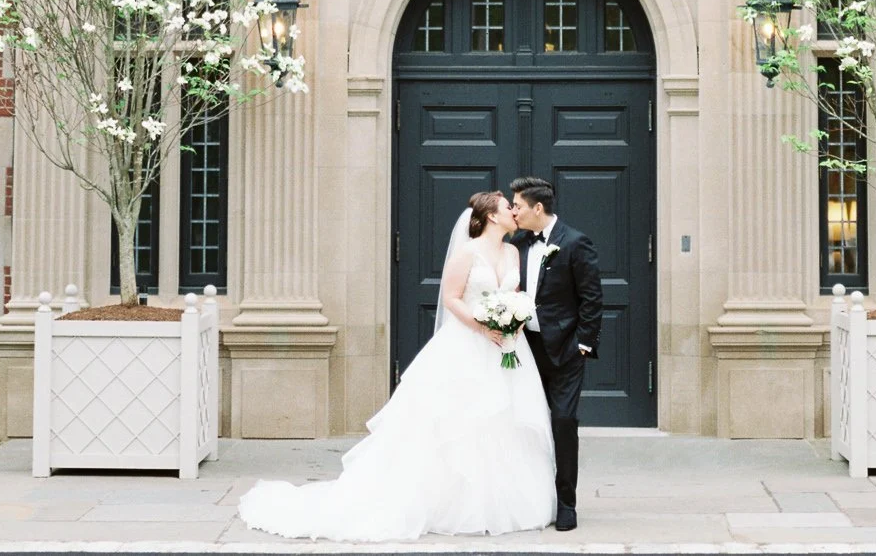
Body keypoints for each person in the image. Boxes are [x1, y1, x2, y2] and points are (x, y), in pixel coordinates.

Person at [237, 191, 557, 540]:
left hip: (508, 348)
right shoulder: (467, 253)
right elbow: (451, 298)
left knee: (506, 419)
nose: (514, 211)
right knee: (460, 424)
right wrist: (484, 326)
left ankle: (504, 501)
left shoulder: (513, 252)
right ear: (491, 216)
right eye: (506, 206)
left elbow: (519, 297)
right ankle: (454, 503)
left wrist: (514, 322)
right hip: (468, 345)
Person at [507, 175, 604, 532]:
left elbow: (592, 299)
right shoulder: (516, 242)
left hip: (564, 352)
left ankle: (566, 503)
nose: (513, 211)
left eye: (517, 205)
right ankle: (530, 498)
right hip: (524, 351)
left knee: (563, 422)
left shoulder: (576, 243)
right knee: (525, 425)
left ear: (537, 207)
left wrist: (583, 344)